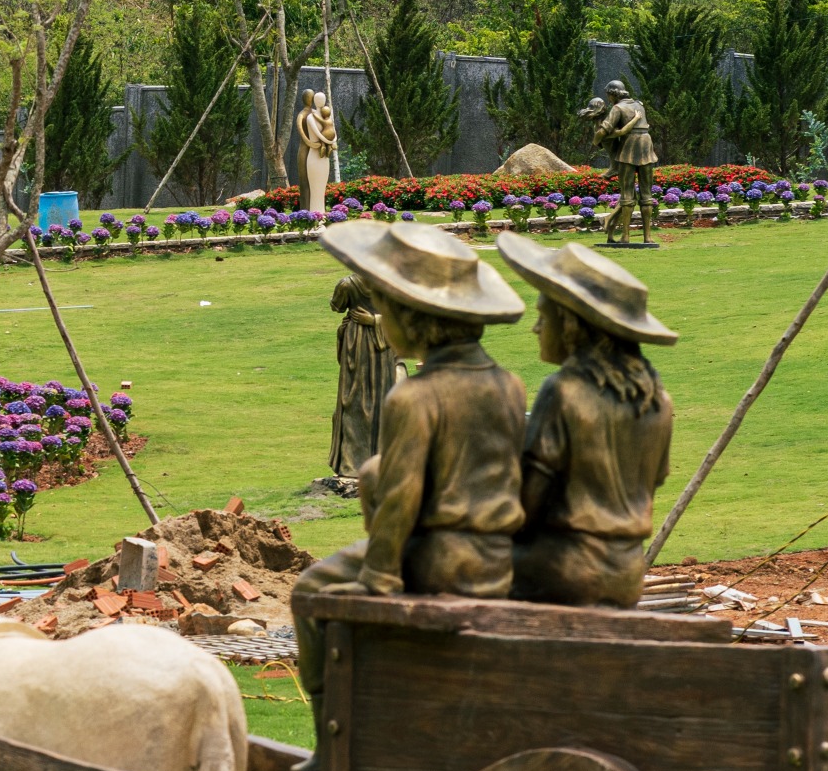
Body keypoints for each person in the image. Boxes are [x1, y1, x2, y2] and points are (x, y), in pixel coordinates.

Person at [288, 221, 527, 625]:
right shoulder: (510, 385)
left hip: (442, 559)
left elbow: (401, 497)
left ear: (415, 320)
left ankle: (329, 690)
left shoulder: (413, 397)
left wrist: (378, 580)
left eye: (390, 307)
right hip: (501, 554)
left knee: (310, 589)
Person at [498, 233, 676, 607]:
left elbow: (529, 501)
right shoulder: (659, 401)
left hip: (560, 568)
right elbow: (655, 479)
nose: (535, 329)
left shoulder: (564, 391)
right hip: (627, 571)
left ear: (572, 325)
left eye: (543, 317)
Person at [328, 274, 400, 482]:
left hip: (360, 343)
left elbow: (336, 306)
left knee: (356, 400)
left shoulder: (346, 284)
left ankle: (357, 463)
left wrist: (371, 320)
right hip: (378, 347)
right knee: (368, 400)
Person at [579, 80, 658, 245]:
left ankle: (625, 237)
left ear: (613, 94)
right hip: (646, 146)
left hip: (629, 148)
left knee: (627, 194)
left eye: (609, 95)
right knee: (646, 195)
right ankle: (647, 237)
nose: (608, 99)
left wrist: (597, 140)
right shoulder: (639, 105)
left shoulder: (617, 108)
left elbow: (603, 130)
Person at [298, 89, 339, 220]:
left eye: (323, 99)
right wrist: (328, 141)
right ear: (315, 100)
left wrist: (332, 141)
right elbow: (317, 133)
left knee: (321, 187)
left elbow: (334, 131)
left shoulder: (328, 116)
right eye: (318, 99)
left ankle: (321, 212)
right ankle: (315, 212)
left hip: (324, 156)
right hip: (315, 155)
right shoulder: (310, 116)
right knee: (314, 186)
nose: (321, 102)